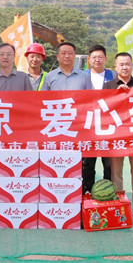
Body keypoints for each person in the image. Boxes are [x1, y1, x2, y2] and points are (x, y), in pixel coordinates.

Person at [41, 42, 93, 193]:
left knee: (77, 162)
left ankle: (78, 192)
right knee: (56, 162)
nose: (67, 56)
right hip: (55, 127)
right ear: (57, 57)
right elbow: (41, 102)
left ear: (75, 56)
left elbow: (90, 100)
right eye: (63, 53)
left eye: (70, 53)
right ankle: (55, 190)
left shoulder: (84, 77)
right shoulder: (50, 77)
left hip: (77, 127)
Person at [104, 52, 133, 220]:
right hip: (116, 137)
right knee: (116, 173)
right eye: (121, 64)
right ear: (115, 67)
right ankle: (119, 204)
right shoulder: (108, 86)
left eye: (127, 64)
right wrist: (117, 95)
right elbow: (104, 109)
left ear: (132, 66)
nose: (124, 67)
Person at [83, 44, 116, 191]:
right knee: (88, 162)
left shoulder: (113, 75)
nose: (97, 60)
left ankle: (108, 190)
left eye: (100, 57)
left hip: (108, 125)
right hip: (88, 125)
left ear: (106, 59)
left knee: (109, 162)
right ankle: (88, 190)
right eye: (94, 57)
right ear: (89, 59)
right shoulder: (83, 76)